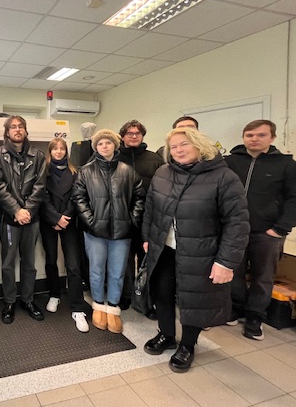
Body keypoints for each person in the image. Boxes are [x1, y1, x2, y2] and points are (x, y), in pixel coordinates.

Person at [142, 127, 249, 373]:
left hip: (201, 252)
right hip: (164, 248)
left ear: (199, 145)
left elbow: (237, 223)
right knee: (162, 293)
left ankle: (187, 345)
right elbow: (151, 208)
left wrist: (226, 262)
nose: (178, 150)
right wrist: (147, 237)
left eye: (184, 144)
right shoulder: (163, 173)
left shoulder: (223, 177)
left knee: (194, 300)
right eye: (174, 147)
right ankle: (166, 334)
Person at [225, 120, 296, 340]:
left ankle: (255, 317)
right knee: (233, 271)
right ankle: (236, 308)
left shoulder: (286, 165)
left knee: (263, 276)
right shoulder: (230, 162)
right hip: (233, 229)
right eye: (250, 135)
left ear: (272, 138)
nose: (254, 139)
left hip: (266, 233)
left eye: (261, 135)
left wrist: (280, 229)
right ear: (243, 137)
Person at [71, 129, 145, 334]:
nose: (104, 146)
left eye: (108, 143)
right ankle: (98, 305)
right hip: (95, 232)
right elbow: (78, 198)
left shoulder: (127, 171)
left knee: (117, 271)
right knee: (96, 270)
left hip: (122, 232)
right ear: (96, 147)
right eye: (100, 143)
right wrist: (91, 221)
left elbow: (140, 197)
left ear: (115, 145)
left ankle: (113, 307)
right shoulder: (86, 172)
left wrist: (132, 220)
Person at [0, 115, 47, 324]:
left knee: (29, 262)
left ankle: (28, 300)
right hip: (9, 218)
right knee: (8, 263)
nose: (17, 130)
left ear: (25, 130)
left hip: (32, 218)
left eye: (20, 126)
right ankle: (9, 302)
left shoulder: (38, 156)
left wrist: (27, 211)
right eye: (13, 127)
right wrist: (16, 210)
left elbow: (40, 186)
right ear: (7, 132)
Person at [39, 137, 89, 332]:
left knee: (73, 264)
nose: (59, 151)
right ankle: (54, 294)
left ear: (66, 152)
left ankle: (77, 308)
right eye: (55, 149)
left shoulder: (75, 172)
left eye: (62, 149)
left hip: (69, 221)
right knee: (51, 259)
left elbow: (77, 197)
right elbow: (41, 198)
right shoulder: (43, 172)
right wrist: (55, 218)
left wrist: (64, 218)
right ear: (50, 152)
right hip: (49, 221)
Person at [117, 120, 163, 311]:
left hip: (148, 217)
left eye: (138, 133)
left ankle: (147, 299)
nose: (134, 136)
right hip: (123, 217)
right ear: (122, 136)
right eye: (130, 133)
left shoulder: (155, 159)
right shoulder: (115, 158)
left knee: (148, 260)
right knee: (124, 260)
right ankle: (126, 295)